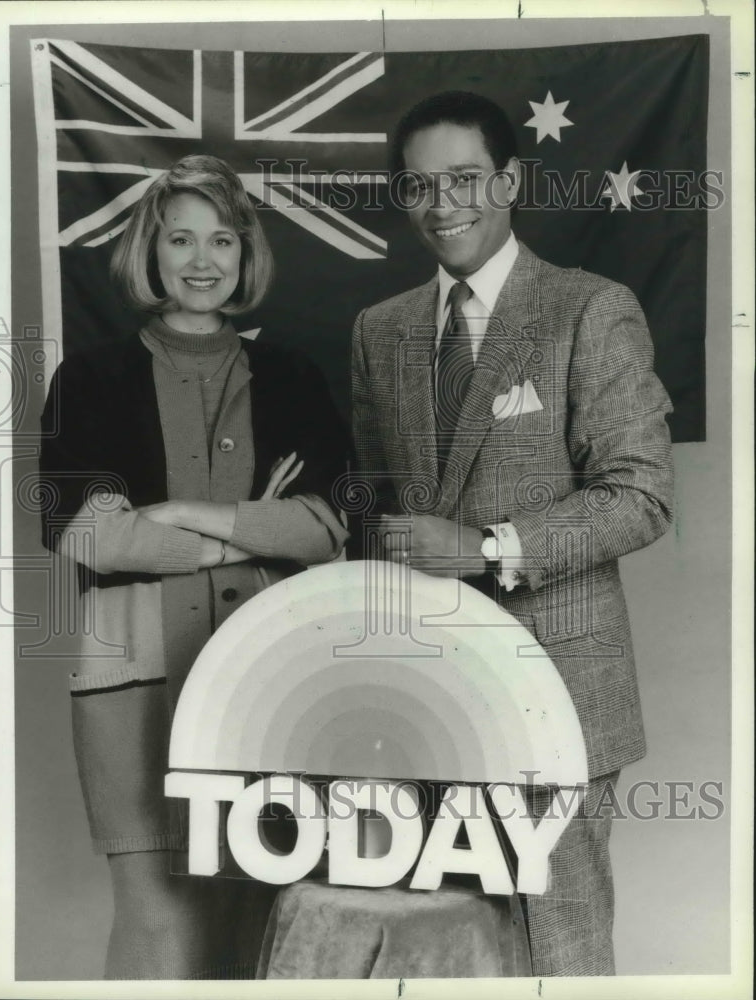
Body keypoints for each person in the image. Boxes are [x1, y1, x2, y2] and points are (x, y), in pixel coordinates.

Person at [350, 91, 674, 975]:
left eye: (464, 179)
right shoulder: (380, 332)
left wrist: (490, 547)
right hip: (427, 695)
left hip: (561, 690)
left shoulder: (589, 310)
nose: (443, 204)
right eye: (420, 185)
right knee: (450, 949)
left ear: (510, 180)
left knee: (560, 946)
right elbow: (379, 511)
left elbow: (640, 493)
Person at [39, 154, 349, 979]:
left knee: (262, 907)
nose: (202, 260)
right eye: (181, 239)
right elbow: (81, 529)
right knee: (155, 917)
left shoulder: (292, 375)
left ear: (247, 256)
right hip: (133, 678)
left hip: (269, 674)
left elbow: (326, 526)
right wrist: (243, 536)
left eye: (222, 240)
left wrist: (177, 514)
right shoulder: (91, 377)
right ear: (151, 250)